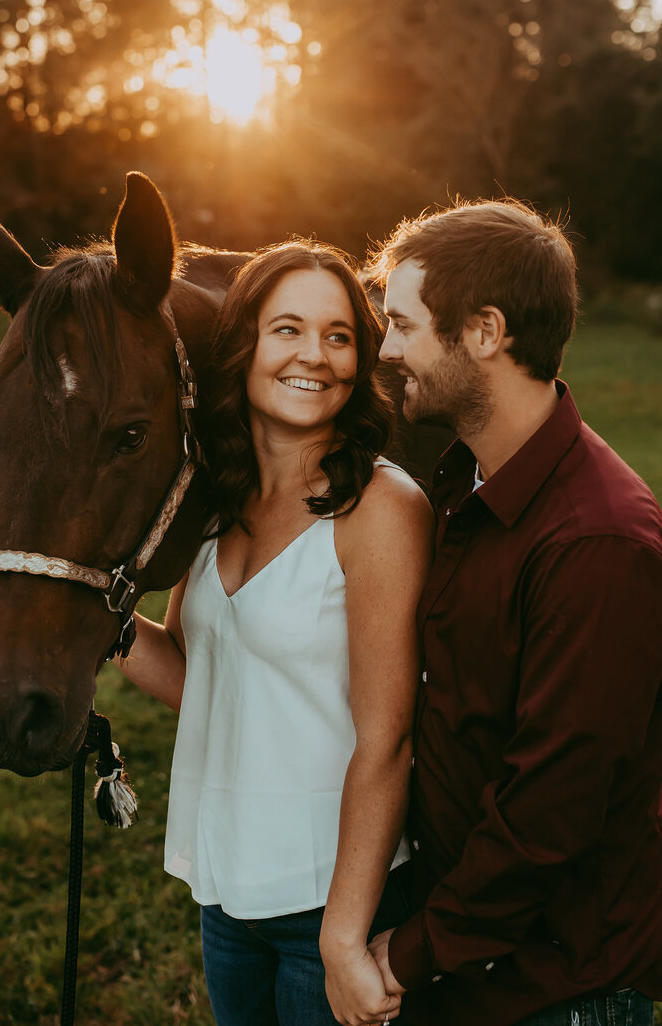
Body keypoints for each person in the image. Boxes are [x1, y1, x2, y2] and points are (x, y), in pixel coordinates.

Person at [116, 241, 433, 1026]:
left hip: (333, 899)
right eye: (287, 329)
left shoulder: (381, 509)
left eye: (339, 336)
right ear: (245, 346)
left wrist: (342, 938)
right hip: (227, 890)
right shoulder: (214, 498)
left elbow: (387, 739)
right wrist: (100, 616)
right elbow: (207, 686)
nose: (315, 357)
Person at [365, 199, 662, 1026]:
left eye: (403, 325)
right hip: (471, 965)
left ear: (486, 332)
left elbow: (551, 813)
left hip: (557, 992)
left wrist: (412, 951)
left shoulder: (597, 544)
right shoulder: (469, 486)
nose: (386, 351)